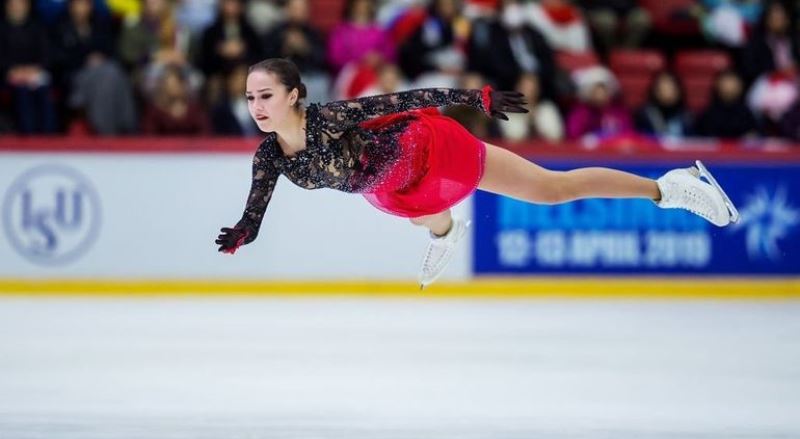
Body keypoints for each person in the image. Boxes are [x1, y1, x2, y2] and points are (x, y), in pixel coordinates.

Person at [216, 58, 738, 288]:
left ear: (293, 95)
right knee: (425, 218)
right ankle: (447, 233)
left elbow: (409, 98)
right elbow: (255, 212)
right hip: (387, 186)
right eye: (249, 98)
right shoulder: (269, 157)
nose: (257, 106)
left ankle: (669, 188)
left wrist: (476, 98)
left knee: (552, 189)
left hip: (430, 152)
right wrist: (242, 232)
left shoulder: (327, 118)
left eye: (265, 95)